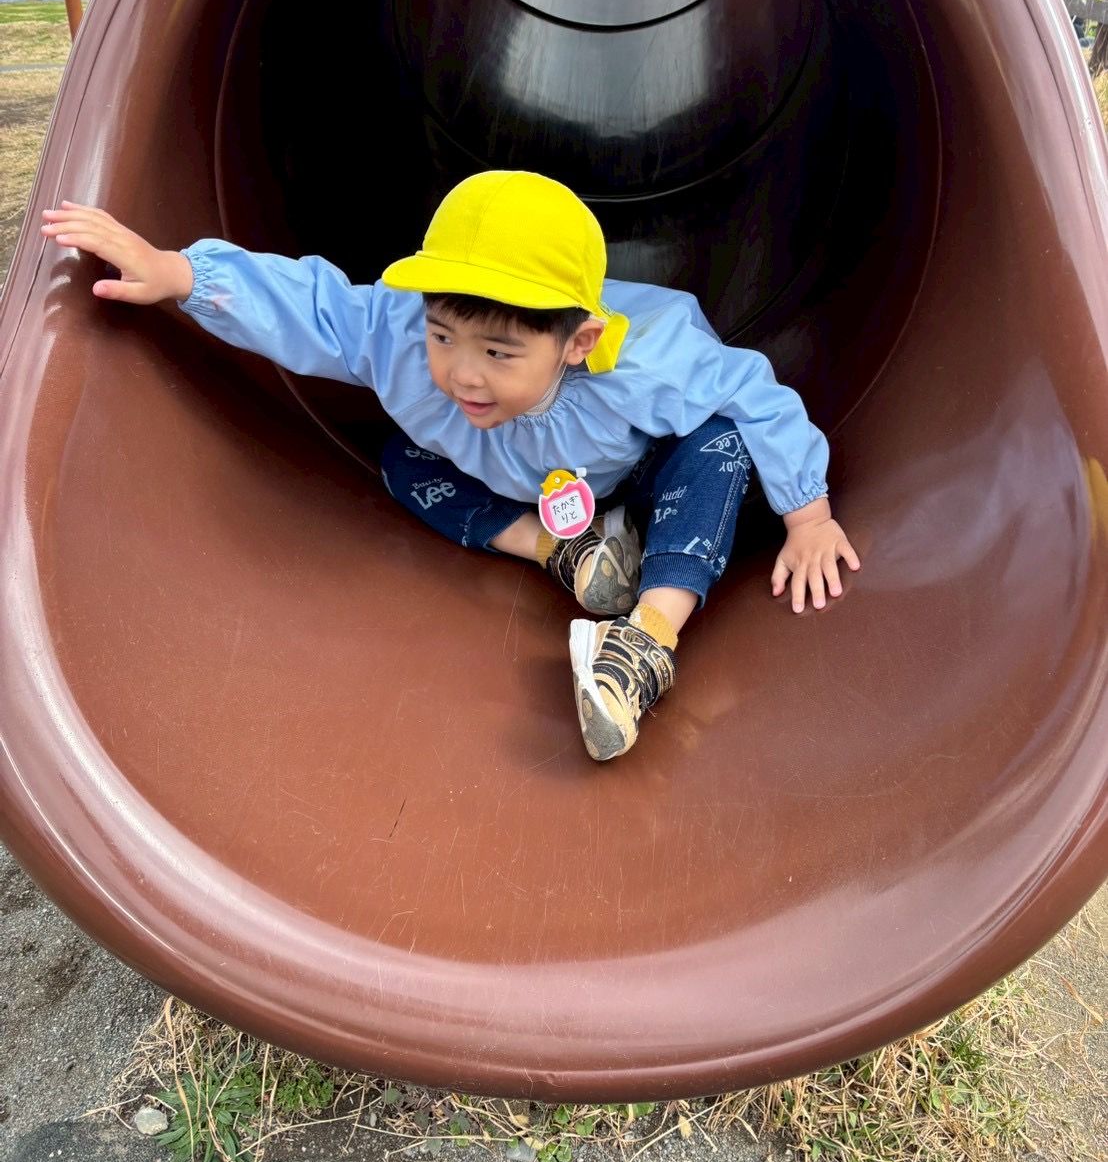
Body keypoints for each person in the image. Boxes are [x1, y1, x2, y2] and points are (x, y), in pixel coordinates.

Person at [41, 172, 859, 761]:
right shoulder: (400, 339)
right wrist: (181, 273)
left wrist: (809, 514)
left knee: (718, 441)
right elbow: (317, 306)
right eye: (443, 336)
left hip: (637, 481)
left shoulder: (644, 361)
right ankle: (563, 551)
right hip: (518, 489)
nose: (463, 373)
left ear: (575, 342)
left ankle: (645, 637)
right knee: (401, 457)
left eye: (499, 352)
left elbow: (753, 391)